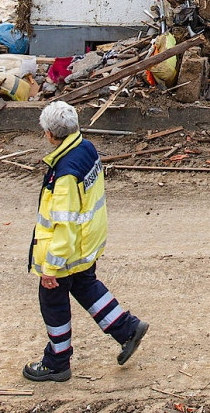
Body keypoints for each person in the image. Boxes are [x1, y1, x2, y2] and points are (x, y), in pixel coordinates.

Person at [24, 101, 150, 382]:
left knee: (52, 301)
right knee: (85, 285)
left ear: (49, 134)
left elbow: (63, 224)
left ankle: (57, 362)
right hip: (86, 243)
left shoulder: (65, 174)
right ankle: (126, 328)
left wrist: (51, 268)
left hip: (66, 251)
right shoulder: (86, 148)